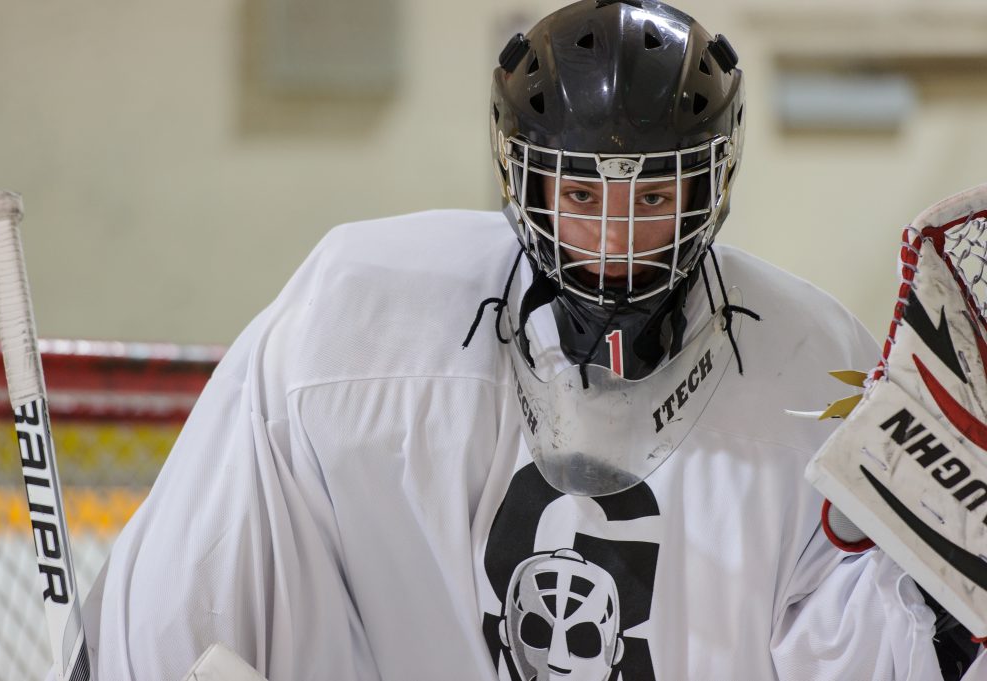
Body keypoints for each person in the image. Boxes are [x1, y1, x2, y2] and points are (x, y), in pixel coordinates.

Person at [76, 1, 986, 679]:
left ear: (714, 183)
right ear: (525, 181)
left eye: (657, 195)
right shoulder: (351, 327)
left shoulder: (814, 365)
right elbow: (201, 582)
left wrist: (946, 602)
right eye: (585, 196)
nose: (622, 238)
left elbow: (850, 646)